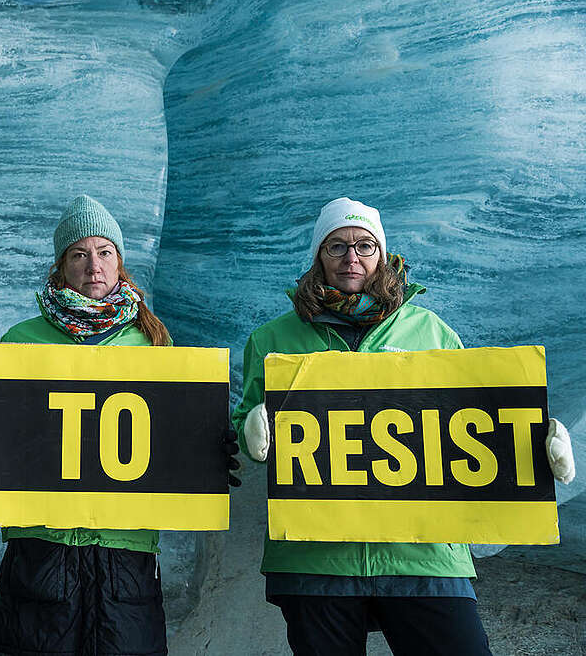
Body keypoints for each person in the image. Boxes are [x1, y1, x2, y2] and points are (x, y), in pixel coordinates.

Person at [232, 196, 576, 656]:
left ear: (383, 255)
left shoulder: (431, 333)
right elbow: (247, 425)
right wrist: (251, 428)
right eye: (336, 246)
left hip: (425, 553)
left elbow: (473, 424)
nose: (351, 257)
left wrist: (540, 441)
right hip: (318, 558)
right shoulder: (272, 339)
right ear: (318, 256)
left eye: (364, 246)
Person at [0, 195, 239, 656]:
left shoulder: (153, 342)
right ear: (61, 267)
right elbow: (1, 422)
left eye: (104, 252)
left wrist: (209, 448)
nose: (94, 265)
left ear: (120, 262)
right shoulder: (20, 340)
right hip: (42, 549)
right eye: (79, 254)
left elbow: (172, 433)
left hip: (125, 554)